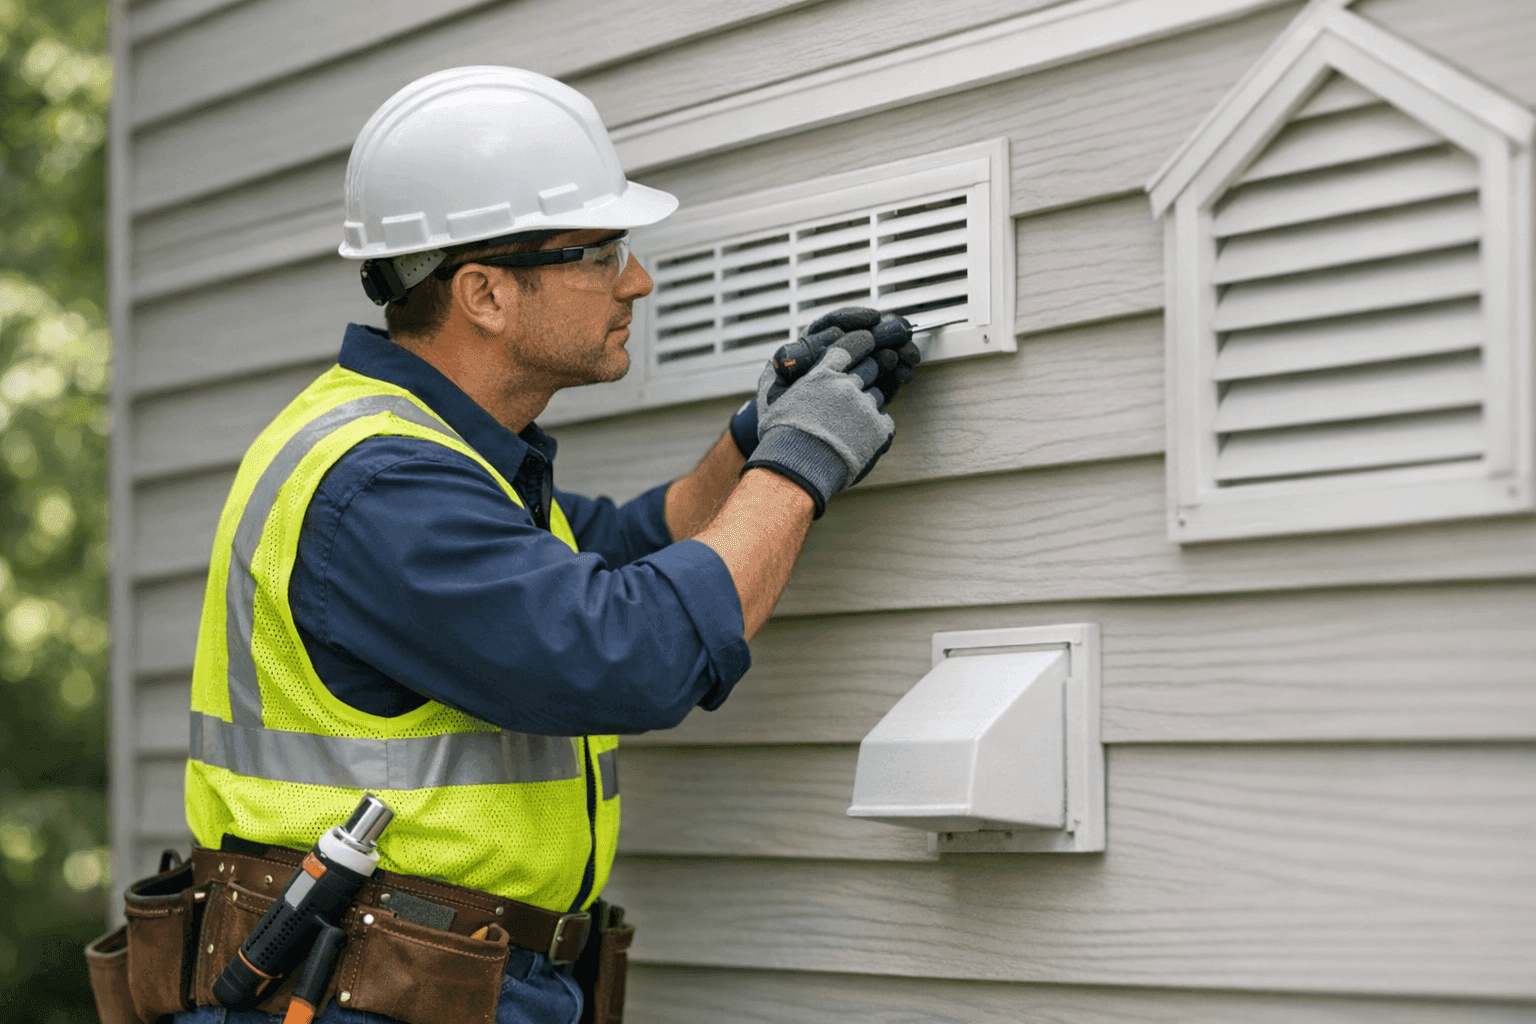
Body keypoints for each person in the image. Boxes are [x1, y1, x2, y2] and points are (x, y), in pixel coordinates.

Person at [171, 66, 920, 1024]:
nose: (636, 281)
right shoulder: (379, 485)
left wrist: (757, 433)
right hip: (367, 992)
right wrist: (805, 458)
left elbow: (625, 554)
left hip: (431, 981)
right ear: (483, 292)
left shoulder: (443, 460)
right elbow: (631, 651)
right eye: (600, 253)